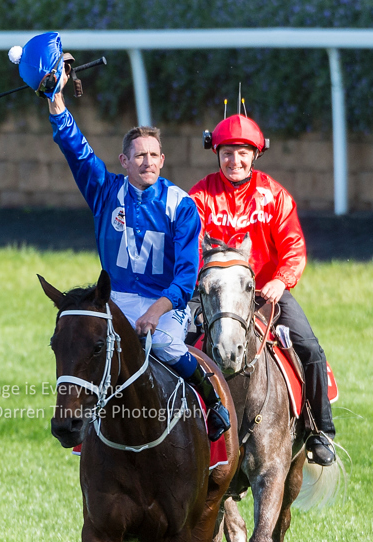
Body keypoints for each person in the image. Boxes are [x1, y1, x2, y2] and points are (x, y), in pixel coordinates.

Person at [23, 32, 229, 440]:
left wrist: (155, 312)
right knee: (90, 351)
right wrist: (56, 102)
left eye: (154, 155)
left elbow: (187, 276)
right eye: (139, 156)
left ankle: (211, 400)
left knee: (167, 348)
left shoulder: (181, 205)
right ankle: (87, 433)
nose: (147, 162)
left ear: (162, 160)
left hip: (164, 303)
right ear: (124, 161)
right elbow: (76, 150)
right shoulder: (105, 190)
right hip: (116, 300)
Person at [187, 114, 337, 465]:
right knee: (176, 347)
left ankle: (320, 432)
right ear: (216, 153)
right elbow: (189, 246)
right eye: (227, 153)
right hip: (213, 295)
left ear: (256, 155)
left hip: (265, 292)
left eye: (242, 153)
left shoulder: (275, 196)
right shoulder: (199, 196)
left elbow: (294, 247)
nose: (234, 161)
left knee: (310, 348)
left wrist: (279, 281)